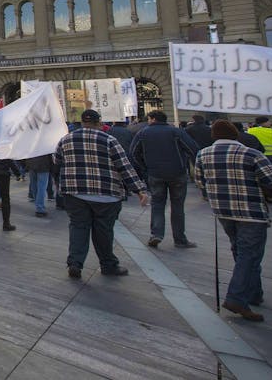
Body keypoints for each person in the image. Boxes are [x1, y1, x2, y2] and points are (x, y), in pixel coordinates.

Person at [195, 120, 272, 322]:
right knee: (249, 255)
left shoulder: (203, 154)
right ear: (236, 135)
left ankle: (254, 293)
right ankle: (237, 298)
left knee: (241, 253)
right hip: (251, 212)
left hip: (223, 211)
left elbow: (200, 181)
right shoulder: (251, 154)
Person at [55, 109, 149, 278]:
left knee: (78, 227)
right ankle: (108, 265)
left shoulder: (66, 140)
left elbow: (57, 160)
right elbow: (124, 166)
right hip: (106, 194)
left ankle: (75, 263)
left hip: (75, 192)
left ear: (82, 122)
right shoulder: (109, 140)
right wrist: (139, 189)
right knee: (104, 231)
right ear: (99, 123)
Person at [130, 110, 200, 249]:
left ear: (153, 119)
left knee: (157, 204)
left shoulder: (143, 133)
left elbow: (134, 153)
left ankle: (156, 234)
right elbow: (192, 148)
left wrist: (145, 167)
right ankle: (180, 239)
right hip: (177, 173)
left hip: (155, 173)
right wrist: (188, 164)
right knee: (178, 206)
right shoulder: (176, 131)